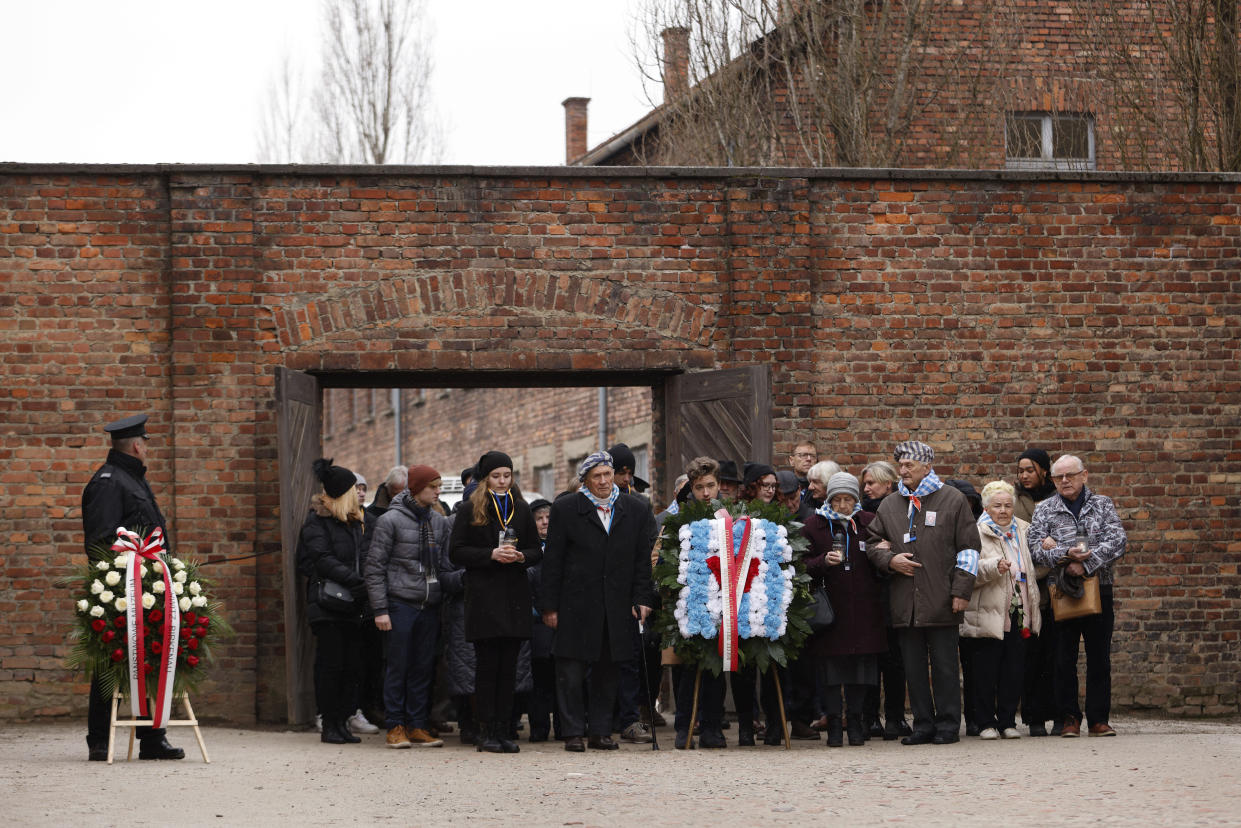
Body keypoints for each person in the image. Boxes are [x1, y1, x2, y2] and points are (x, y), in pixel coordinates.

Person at [80, 413, 184, 761]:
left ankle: (152, 738)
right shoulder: (111, 482)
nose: (147, 450)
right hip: (123, 589)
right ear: (138, 446)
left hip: (147, 586)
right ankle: (99, 738)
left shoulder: (131, 479)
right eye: (147, 444)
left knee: (150, 658)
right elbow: (102, 541)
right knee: (113, 661)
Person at [542, 451, 659, 752]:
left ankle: (600, 730)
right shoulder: (567, 508)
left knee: (608, 670)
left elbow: (640, 561)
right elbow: (553, 560)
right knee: (571, 670)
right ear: (585, 480)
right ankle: (571, 731)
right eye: (597, 476)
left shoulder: (634, 507)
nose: (604, 481)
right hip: (575, 603)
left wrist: (642, 598)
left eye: (608, 474)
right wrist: (549, 606)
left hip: (616, 603)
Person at [866, 441, 980, 746]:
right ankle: (923, 725)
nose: (902, 471)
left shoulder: (953, 500)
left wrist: (961, 590)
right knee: (913, 669)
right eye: (900, 465)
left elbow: (969, 550)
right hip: (905, 602)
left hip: (942, 598)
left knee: (944, 667)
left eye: (909, 466)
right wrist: (890, 560)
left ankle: (947, 725)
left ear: (927, 467)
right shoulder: (890, 505)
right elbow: (873, 542)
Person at [448, 450, 541, 753]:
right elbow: (456, 552)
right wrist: (490, 554)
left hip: (514, 596)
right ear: (485, 478)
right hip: (484, 597)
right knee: (487, 668)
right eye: (496, 476)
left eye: (507, 475)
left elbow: (536, 550)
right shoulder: (469, 510)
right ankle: (487, 730)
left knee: (509, 668)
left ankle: (504, 728)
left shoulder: (522, 509)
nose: (502, 481)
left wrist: (521, 556)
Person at [1029, 455, 1126, 738]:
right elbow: (1034, 548)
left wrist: (1086, 562)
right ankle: (1069, 718)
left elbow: (1118, 540)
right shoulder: (1045, 509)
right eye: (1058, 477)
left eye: (1070, 475)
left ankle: (1099, 719)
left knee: (1099, 657)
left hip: (1099, 589)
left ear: (1085, 475)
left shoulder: (1103, 504)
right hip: (1062, 591)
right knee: (1062, 658)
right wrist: (1064, 554)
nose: (1064, 481)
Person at [364, 465, 451, 748]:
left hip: (430, 605)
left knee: (423, 668)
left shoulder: (438, 522)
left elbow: (445, 565)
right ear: (416, 489)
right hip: (400, 604)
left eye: (439, 487)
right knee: (397, 667)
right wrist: (380, 610)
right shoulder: (390, 521)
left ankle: (417, 724)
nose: (438, 492)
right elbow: (375, 567)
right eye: (433, 487)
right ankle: (395, 725)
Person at [803, 473, 885, 747]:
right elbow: (801, 566)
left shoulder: (868, 524)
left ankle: (856, 723)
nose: (842, 505)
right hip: (831, 610)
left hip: (864, 609)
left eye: (847, 499)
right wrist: (823, 561)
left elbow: (880, 558)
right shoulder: (813, 526)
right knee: (830, 671)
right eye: (836, 500)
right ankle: (835, 725)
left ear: (856, 500)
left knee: (859, 670)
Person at [960, 481, 1041, 740]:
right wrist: (994, 566)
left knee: (1013, 669)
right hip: (988, 610)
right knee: (985, 671)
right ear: (986, 507)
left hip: (1020, 611)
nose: (1004, 510)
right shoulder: (975, 533)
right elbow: (967, 574)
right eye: (997, 506)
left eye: (1008, 505)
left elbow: (1036, 562)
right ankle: (985, 723)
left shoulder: (1025, 530)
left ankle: (1007, 721)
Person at [300, 458, 368, 745]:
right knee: (331, 665)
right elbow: (322, 559)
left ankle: (342, 721)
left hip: (352, 604)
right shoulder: (317, 523)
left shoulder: (353, 524)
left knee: (351, 666)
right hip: (327, 604)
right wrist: (356, 581)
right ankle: (330, 722)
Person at [857, 459, 909, 740]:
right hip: (869, 594)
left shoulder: (902, 510)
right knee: (871, 659)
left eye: (871, 483)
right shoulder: (860, 514)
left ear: (888, 484)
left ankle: (895, 717)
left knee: (894, 659)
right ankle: (869, 717)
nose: (866, 488)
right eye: (864, 483)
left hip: (895, 590)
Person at [1012, 447, 1059, 735]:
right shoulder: (1015, 502)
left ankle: (1060, 714)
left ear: (1044, 470)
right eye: (1021, 470)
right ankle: (1034, 717)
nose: (1024, 475)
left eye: (1030, 469)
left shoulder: (1058, 499)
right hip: (1026, 589)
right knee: (1030, 655)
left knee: (1058, 655)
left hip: (1057, 587)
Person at [525, 499, 559, 742]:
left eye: (548, 517)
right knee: (539, 676)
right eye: (539, 518)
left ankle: (563, 726)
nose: (545, 522)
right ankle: (538, 727)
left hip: (562, 621)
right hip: (536, 622)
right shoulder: (527, 549)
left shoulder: (560, 546)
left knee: (562, 676)